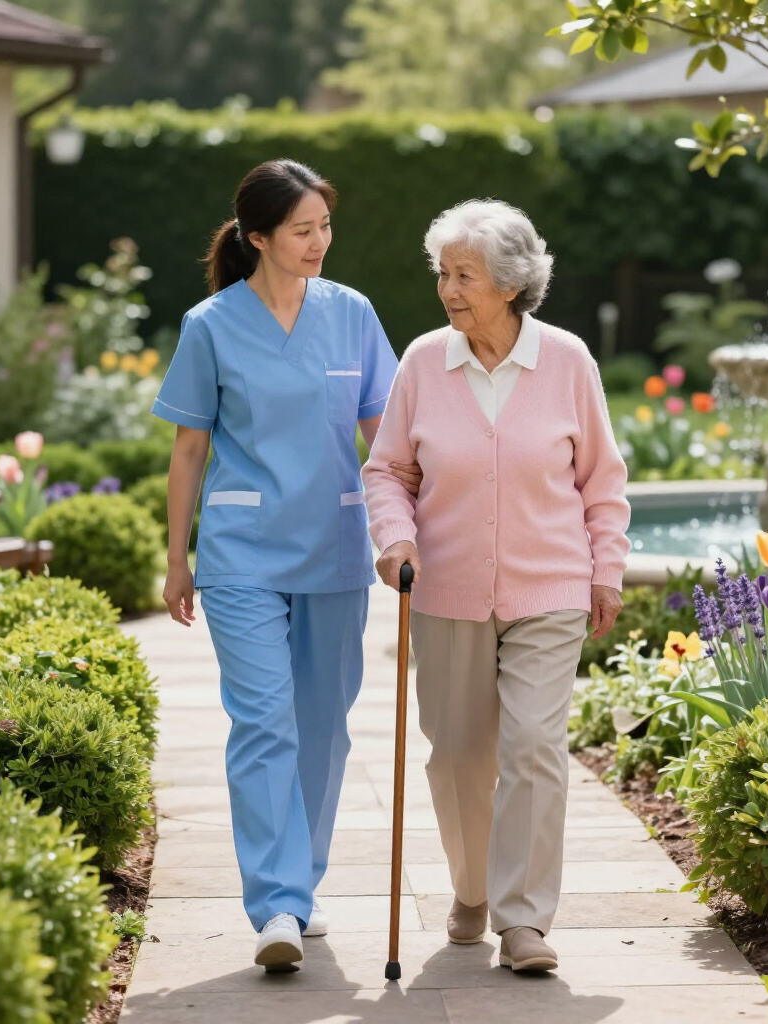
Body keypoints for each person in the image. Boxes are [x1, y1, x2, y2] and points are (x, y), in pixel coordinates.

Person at [156, 159, 419, 972]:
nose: (319, 243)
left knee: (323, 729)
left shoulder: (353, 316)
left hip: (335, 549)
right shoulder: (211, 325)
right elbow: (190, 446)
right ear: (258, 236)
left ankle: (299, 887)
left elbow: (388, 439)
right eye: (303, 230)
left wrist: (408, 530)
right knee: (263, 719)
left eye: (325, 227)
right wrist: (176, 561)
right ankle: (275, 904)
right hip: (240, 554)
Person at [362, 199, 630, 974]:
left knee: (536, 746)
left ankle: (522, 921)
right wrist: (396, 537)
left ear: (511, 284)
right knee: (456, 757)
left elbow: (602, 482)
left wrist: (604, 569)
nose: (449, 289)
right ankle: (472, 889)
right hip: (444, 586)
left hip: (549, 586)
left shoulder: (568, 361)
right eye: (443, 273)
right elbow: (388, 469)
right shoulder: (423, 363)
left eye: (465, 275)